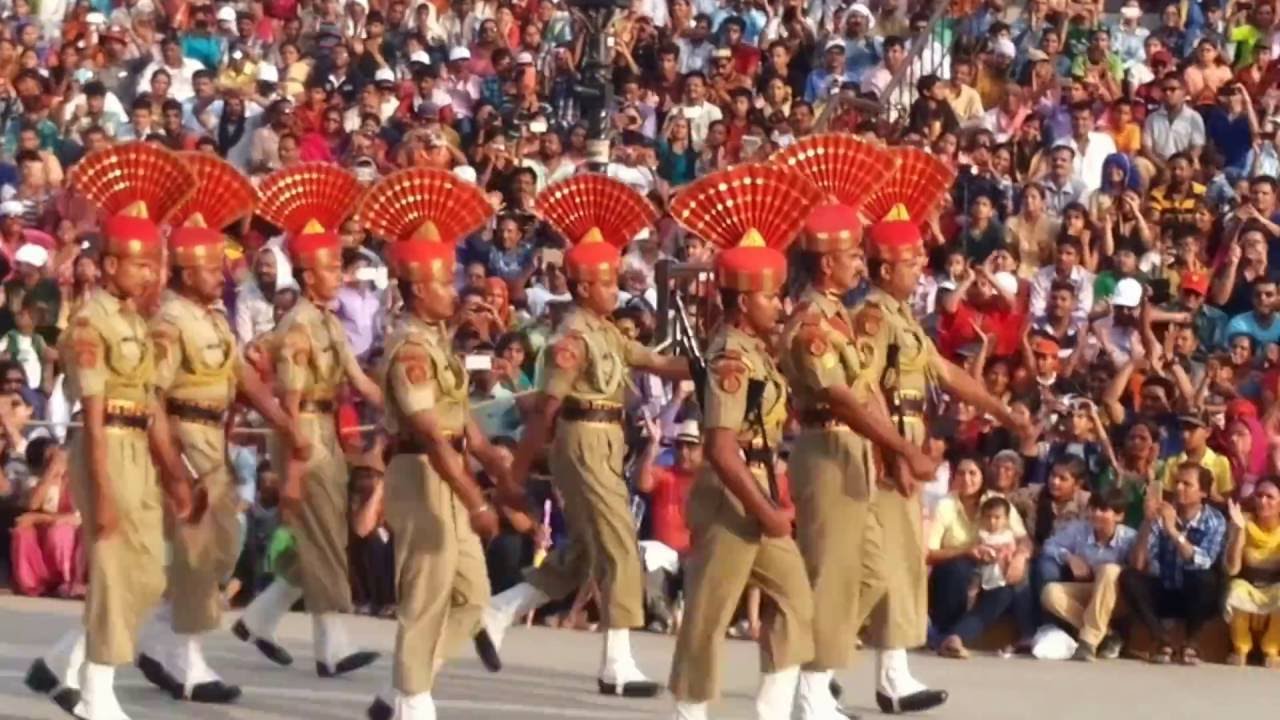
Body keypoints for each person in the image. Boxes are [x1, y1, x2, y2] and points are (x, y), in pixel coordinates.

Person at [482, 174, 690, 698]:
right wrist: (517, 470)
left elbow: (658, 362)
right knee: (619, 547)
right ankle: (616, 663)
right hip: (580, 440)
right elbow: (547, 407)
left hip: (605, 442)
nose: (613, 288)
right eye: (604, 281)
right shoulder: (569, 339)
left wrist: (704, 364)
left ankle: (499, 610)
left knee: (589, 549)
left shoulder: (606, 331)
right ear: (580, 286)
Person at [24, 143, 198, 720]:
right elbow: (94, 416)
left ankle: (60, 661)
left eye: (154, 264)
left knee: (147, 573)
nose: (150, 274)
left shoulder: (134, 322)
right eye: (140, 264)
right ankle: (96, 692)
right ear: (112, 263)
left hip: (139, 450)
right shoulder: (92, 322)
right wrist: (97, 493)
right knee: (118, 570)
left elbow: (148, 402)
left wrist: (174, 474)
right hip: (105, 450)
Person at [853, 162, 1030, 713]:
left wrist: (1003, 409)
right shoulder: (873, 319)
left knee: (901, 563)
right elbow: (863, 391)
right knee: (865, 566)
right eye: (911, 260)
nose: (922, 266)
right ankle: (811, 668)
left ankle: (891, 673)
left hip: (905, 439)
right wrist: (898, 451)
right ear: (885, 267)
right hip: (884, 447)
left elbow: (946, 373)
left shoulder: (903, 318)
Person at [134, 155, 308, 705]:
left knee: (221, 547)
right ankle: (186, 659)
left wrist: (284, 423)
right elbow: (151, 397)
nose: (225, 273)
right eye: (214, 268)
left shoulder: (213, 318)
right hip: (185, 440)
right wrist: (174, 468)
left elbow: (241, 379)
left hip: (216, 443)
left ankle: (161, 635)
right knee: (197, 549)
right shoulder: (169, 321)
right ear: (187, 273)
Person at [776, 134, 937, 719]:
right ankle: (805, 689)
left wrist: (891, 448)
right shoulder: (816, 322)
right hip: (827, 449)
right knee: (834, 576)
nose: (859, 264)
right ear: (827, 263)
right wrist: (897, 445)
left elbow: (866, 390)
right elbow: (842, 397)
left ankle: (810, 678)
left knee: (872, 572)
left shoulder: (842, 316)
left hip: (857, 452)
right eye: (851, 257)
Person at [359, 168, 523, 720]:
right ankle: (412, 701)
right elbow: (428, 431)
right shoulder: (409, 346)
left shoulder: (438, 342)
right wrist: (475, 498)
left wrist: (491, 459)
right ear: (413, 289)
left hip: (449, 473)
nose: (451, 290)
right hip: (423, 475)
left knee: (472, 597)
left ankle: (403, 688)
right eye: (440, 282)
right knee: (425, 596)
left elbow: (458, 421)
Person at [666, 162, 822, 720]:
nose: (779, 305)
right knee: (709, 610)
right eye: (770, 297)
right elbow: (720, 446)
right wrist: (765, 507)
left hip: (757, 487)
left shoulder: (756, 349)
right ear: (741, 302)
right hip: (734, 494)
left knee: (796, 600)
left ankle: (773, 708)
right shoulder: (732, 356)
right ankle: (690, 709)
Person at [233, 163, 385, 679]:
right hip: (304, 434)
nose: (341, 273)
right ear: (308, 274)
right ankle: (331, 645)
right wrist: (294, 469)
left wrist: (403, 406)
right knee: (324, 535)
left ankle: (259, 617)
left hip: (324, 432)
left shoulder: (328, 321)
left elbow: (360, 384)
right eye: (333, 266)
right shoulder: (299, 326)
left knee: (323, 533)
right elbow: (292, 404)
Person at [1119, 462, 1227, 666]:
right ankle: (1162, 639)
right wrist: (1147, 522)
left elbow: (1204, 561)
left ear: (1203, 492)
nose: (1178, 488)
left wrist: (1173, 530)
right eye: (1177, 482)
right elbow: (1138, 563)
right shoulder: (1162, 514)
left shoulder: (1214, 520)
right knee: (1129, 577)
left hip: (1196, 598)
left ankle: (1192, 643)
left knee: (1206, 578)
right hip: (1167, 590)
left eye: (1187, 484)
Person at [1039, 489, 1138, 661]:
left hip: (1117, 598)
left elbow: (1141, 570)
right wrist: (1070, 558)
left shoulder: (1129, 538)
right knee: (1050, 592)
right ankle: (1106, 635)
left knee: (1109, 571)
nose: (1096, 514)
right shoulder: (1079, 529)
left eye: (1103, 510)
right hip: (1089, 592)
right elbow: (1049, 545)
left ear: (1119, 516)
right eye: (1093, 509)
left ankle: (1087, 642)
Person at [1222, 478, 1280, 667]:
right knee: (1235, 590)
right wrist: (1238, 532)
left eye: (1270, 497)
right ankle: (1241, 648)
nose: (1263, 501)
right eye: (1259, 496)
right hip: (1248, 585)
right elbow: (1233, 569)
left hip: (1273, 587)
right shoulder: (1243, 522)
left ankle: (1271, 650)